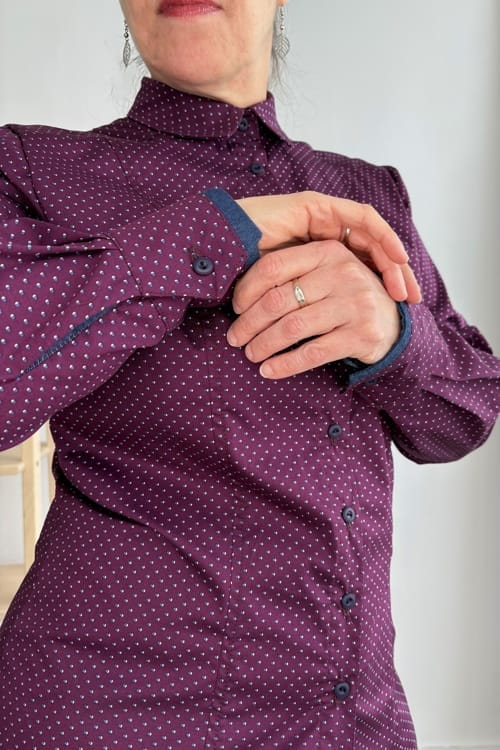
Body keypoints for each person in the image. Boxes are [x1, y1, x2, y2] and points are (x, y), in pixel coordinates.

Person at [0, 1, 498, 747]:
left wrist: (395, 334)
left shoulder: (369, 198)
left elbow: (466, 413)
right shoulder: (35, 172)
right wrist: (218, 231)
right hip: (109, 718)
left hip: (350, 721)